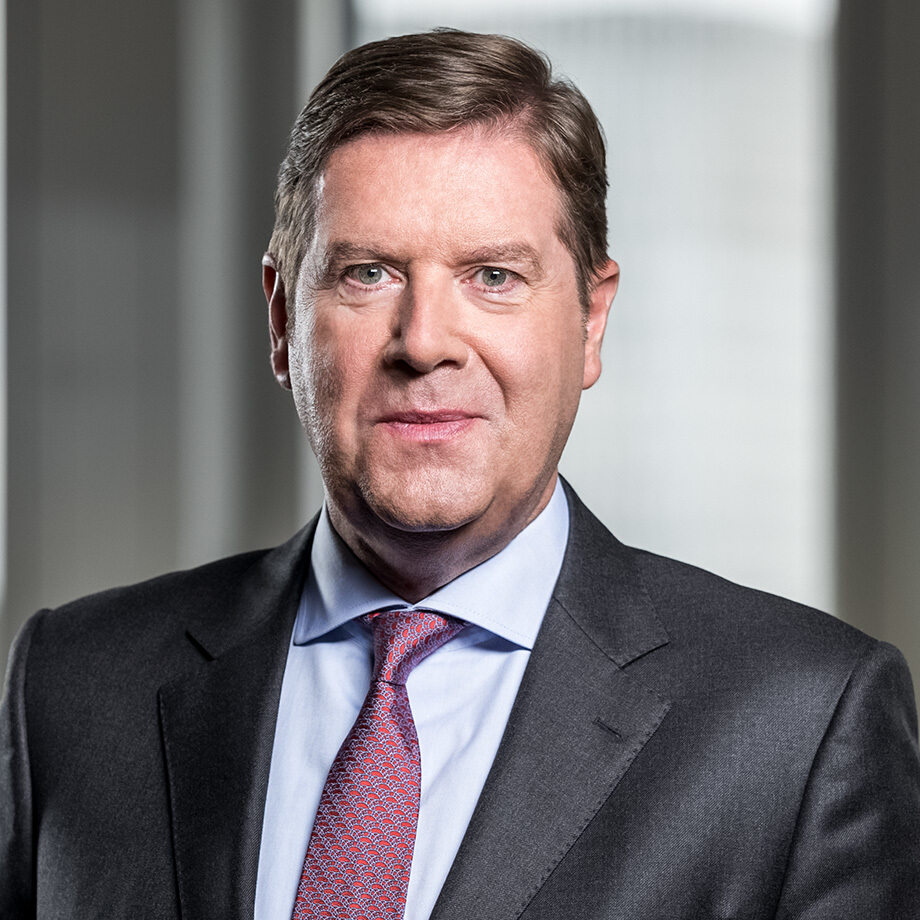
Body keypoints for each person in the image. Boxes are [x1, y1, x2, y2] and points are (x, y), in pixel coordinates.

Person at [2, 27, 919, 920]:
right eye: (367, 273)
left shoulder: (804, 724)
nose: (425, 342)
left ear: (591, 320)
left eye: (493, 276)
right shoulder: (72, 687)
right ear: (282, 322)